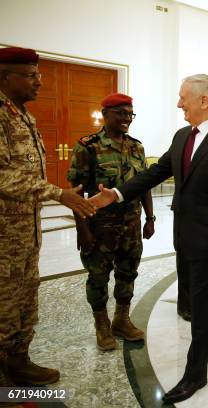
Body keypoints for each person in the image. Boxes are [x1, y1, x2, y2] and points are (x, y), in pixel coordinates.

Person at [89, 74, 208, 403]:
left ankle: (195, 375)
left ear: (204, 101)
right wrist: (116, 194)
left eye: (183, 98)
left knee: (200, 305)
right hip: (185, 234)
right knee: (206, 289)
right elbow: (154, 173)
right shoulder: (181, 137)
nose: (179, 104)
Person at [0, 47, 95, 387]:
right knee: (2, 306)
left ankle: (18, 361)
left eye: (38, 75)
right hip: (3, 236)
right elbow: (4, 176)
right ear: (6, 76)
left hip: (25, 233)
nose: (38, 82)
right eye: (30, 75)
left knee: (25, 299)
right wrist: (59, 194)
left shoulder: (23, 115)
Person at [67, 93, 155, 350]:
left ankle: (121, 319)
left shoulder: (136, 147)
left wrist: (149, 218)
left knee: (128, 273)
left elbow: (145, 185)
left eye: (130, 114)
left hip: (131, 225)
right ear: (105, 114)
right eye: (121, 113)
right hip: (99, 227)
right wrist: (82, 230)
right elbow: (76, 192)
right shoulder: (88, 146)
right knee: (98, 277)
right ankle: (102, 325)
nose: (127, 118)